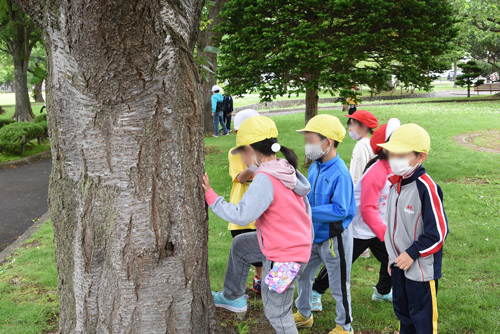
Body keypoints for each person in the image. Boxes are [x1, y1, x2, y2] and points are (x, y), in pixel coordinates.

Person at [203, 116, 313, 334]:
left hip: (284, 259)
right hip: (293, 248)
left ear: (251, 151)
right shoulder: (284, 168)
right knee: (242, 245)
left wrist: (211, 196)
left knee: (277, 312)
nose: (242, 159)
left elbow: (242, 215)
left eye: (241, 153)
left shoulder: (265, 178)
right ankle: (232, 296)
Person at [378, 123, 449, 334]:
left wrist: (412, 253)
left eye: (402, 154)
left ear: (421, 157)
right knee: (404, 315)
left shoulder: (427, 188)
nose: (394, 158)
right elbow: (393, 229)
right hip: (399, 265)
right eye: (392, 153)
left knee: (422, 320)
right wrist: (392, 258)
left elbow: (438, 233)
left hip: (421, 271)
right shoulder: (395, 184)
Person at [294, 114, 356, 334]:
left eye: (311, 140)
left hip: (334, 239)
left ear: (327, 142)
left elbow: (341, 210)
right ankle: (304, 314)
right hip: (312, 235)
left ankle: (344, 326)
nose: (307, 145)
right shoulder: (315, 167)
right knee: (302, 274)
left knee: (339, 284)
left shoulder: (340, 173)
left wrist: (306, 211)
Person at [350, 119, 401, 303]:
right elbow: (367, 208)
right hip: (360, 229)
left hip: (378, 227)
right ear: (385, 148)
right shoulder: (376, 172)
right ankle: (316, 291)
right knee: (341, 264)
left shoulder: (393, 169)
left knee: (391, 259)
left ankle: (382, 292)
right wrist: (384, 233)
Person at [227, 109, 263, 293]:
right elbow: (241, 178)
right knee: (243, 250)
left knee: (267, 254)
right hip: (242, 212)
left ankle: (267, 285)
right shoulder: (236, 153)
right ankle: (241, 291)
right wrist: (254, 165)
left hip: (262, 214)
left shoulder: (266, 153)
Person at [346, 110, 378, 186]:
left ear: (364, 126)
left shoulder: (361, 145)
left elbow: (358, 172)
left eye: (353, 125)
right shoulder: (370, 143)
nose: (350, 129)